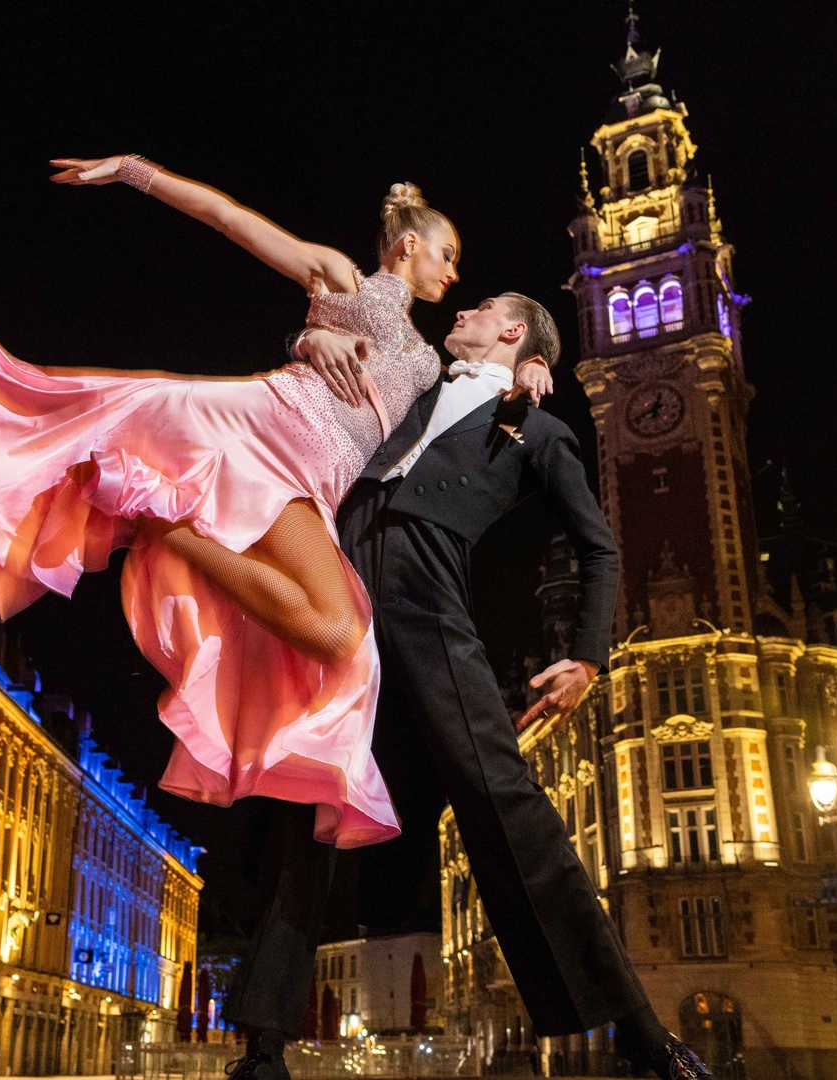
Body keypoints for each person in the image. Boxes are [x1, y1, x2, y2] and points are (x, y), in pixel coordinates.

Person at [0, 155, 551, 849]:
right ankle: (138, 506)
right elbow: (229, 219)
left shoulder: (429, 360)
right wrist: (133, 172)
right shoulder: (340, 277)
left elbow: (467, 405)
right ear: (408, 245)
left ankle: (159, 522)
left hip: (310, 485)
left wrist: (532, 362)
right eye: (447, 255)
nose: (454, 274)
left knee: (345, 643)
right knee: (95, 412)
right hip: (264, 430)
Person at [220, 296, 709, 1080]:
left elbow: (601, 551)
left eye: (484, 308)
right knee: (308, 810)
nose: (465, 307)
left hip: (429, 607)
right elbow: (318, 354)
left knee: (506, 807)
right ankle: (262, 1049)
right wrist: (312, 332)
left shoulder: (541, 430)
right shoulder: (414, 383)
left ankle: (641, 1031)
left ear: (515, 334)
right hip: (341, 599)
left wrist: (587, 658)